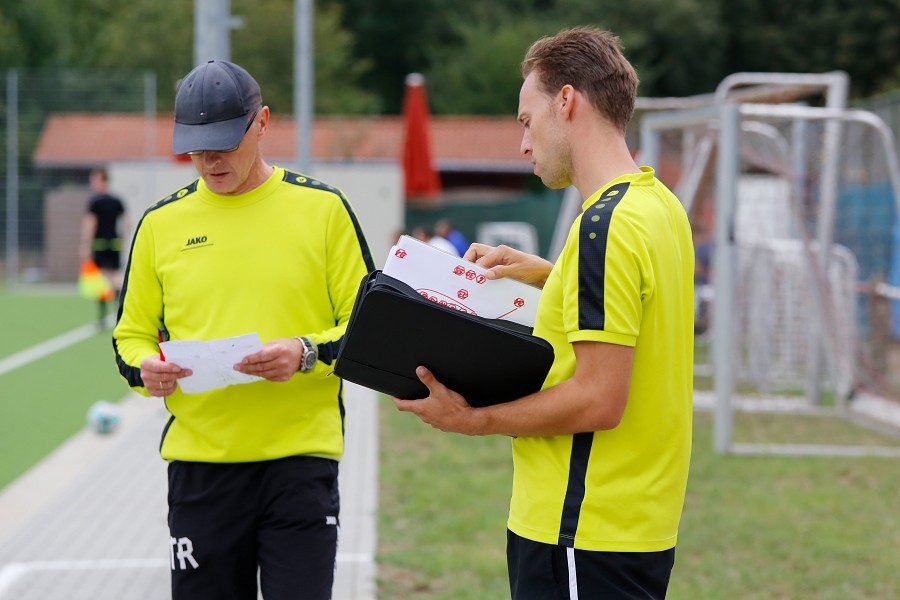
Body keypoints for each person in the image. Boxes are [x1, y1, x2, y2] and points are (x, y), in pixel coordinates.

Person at [393, 26, 694, 599]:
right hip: (636, 524)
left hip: (581, 530)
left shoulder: (604, 228)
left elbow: (599, 398)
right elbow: (639, 315)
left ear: (567, 101)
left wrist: (474, 419)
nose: (524, 145)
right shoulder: (657, 206)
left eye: (526, 121)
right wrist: (551, 275)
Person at [112, 60, 374, 600]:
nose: (209, 160)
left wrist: (304, 352)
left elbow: (370, 328)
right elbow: (129, 337)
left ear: (262, 123)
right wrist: (146, 369)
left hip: (300, 467)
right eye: (195, 146)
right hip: (201, 472)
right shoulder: (160, 225)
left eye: (225, 142)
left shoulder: (323, 211)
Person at [79, 167, 129, 326]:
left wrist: (85, 244)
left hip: (99, 244)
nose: (92, 183)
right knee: (115, 277)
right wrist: (122, 238)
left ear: (103, 180)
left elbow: (90, 223)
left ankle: (102, 317)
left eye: (94, 180)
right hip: (114, 244)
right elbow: (127, 222)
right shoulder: (117, 200)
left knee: (100, 278)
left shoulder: (95, 202)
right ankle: (118, 312)